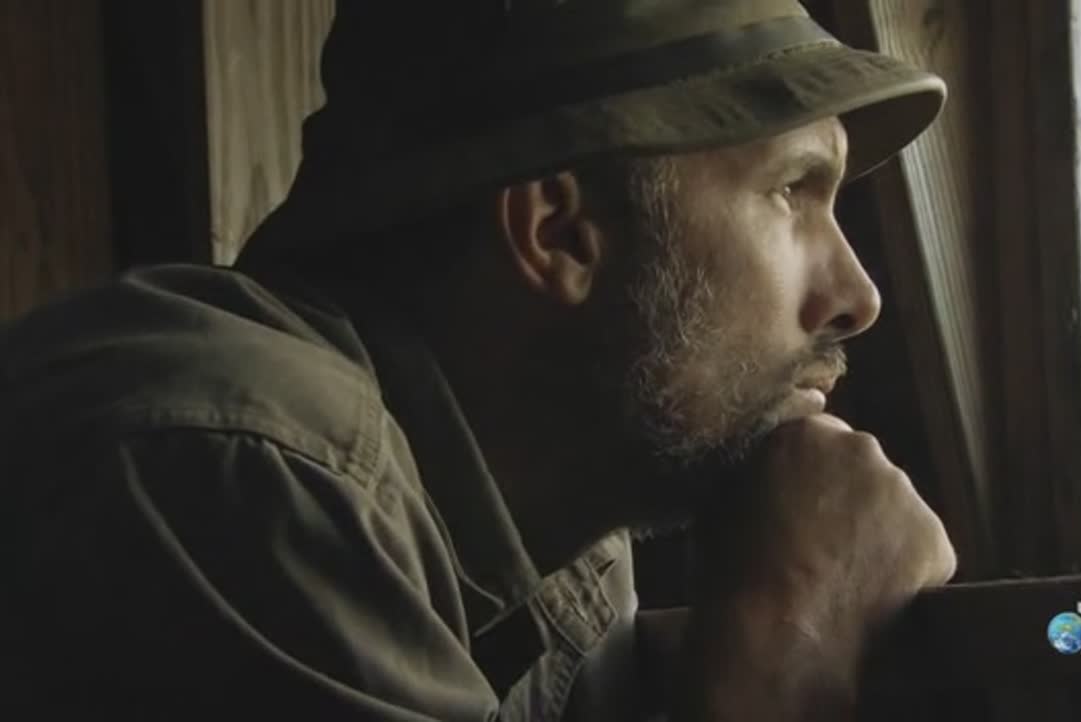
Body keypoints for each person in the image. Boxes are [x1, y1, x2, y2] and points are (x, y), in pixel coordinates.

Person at [0, 1, 956, 719]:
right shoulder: (242, 472)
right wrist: (793, 644)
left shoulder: (561, 541)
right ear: (559, 233)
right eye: (794, 190)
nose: (857, 295)